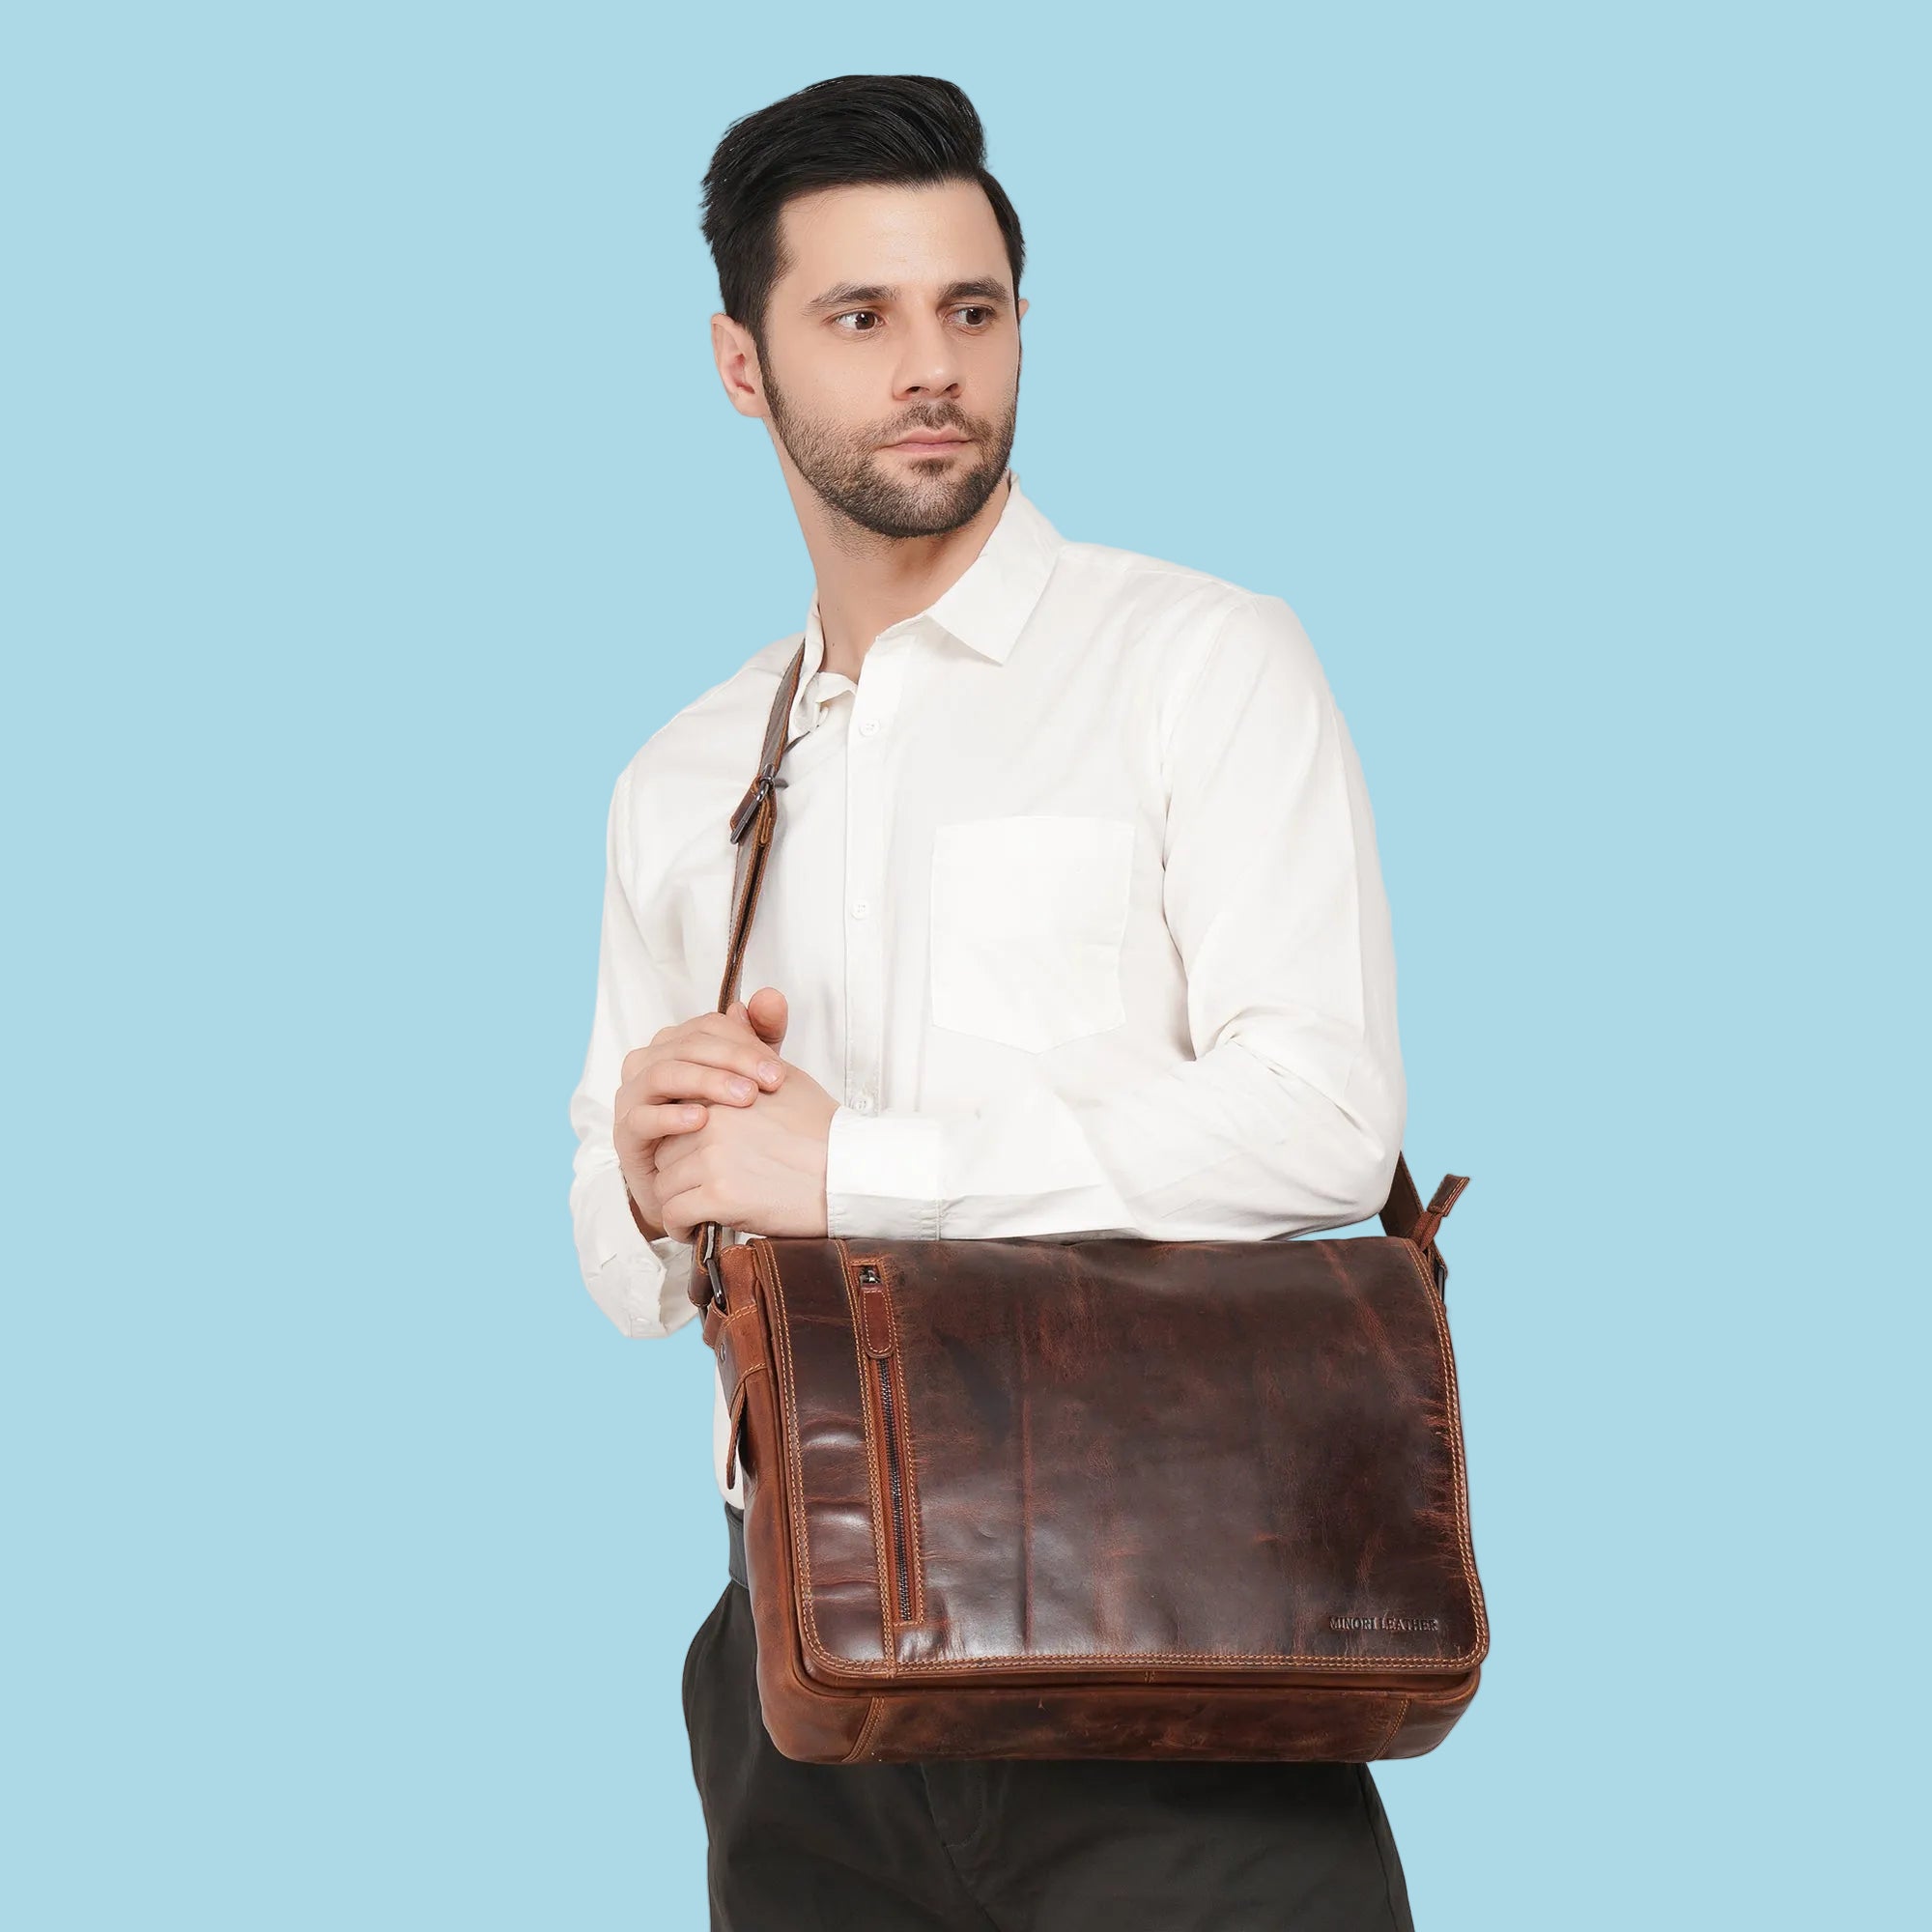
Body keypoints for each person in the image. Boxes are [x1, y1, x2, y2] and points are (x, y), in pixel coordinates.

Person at [566, 72, 1415, 1932]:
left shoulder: (1198, 661)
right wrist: (645, 1176)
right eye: (860, 318)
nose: (933, 367)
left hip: (1162, 1638)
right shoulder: (687, 779)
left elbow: (1324, 1122)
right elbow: (626, 1268)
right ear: (740, 364)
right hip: (800, 1677)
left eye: (973, 308)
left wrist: (851, 1171)